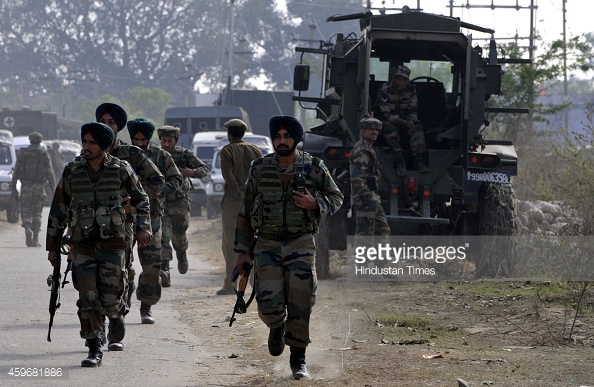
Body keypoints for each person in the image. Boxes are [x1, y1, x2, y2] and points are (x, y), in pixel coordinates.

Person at [234, 115, 343, 380]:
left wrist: (316, 204)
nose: (282, 141)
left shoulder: (314, 167)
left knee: (301, 301)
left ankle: (298, 361)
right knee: (268, 304)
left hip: (301, 242)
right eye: (277, 137)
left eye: (287, 136)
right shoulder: (259, 168)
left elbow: (336, 197)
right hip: (268, 243)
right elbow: (245, 212)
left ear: (296, 138)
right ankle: (276, 325)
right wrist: (242, 250)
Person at [45, 122, 151, 367]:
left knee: (111, 299)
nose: (87, 147)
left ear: (103, 146)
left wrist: (143, 226)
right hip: (82, 244)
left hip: (113, 243)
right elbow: (58, 209)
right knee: (88, 296)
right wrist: (52, 246)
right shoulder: (72, 171)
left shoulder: (121, 169)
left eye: (92, 143)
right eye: (84, 142)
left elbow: (142, 199)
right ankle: (94, 347)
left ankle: (115, 316)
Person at [96, 102, 164, 345]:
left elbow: (157, 180)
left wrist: (135, 203)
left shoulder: (132, 154)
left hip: (130, 223)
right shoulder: (88, 153)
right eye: (102, 122)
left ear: (118, 127)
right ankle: (104, 324)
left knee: (123, 270)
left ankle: (119, 319)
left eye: (111, 122)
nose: (106, 126)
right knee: (107, 275)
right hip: (99, 228)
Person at [128, 117, 183, 322]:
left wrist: (158, 192)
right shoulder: (123, 155)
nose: (140, 143)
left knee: (152, 267)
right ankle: (123, 300)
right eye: (136, 138)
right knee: (123, 265)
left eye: (143, 139)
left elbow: (176, 179)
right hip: (126, 219)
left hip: (153, 219)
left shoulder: (160, 156)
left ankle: (146, 307)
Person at [158, 125, 209, 286]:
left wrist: (191, 173)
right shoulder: (156, 155)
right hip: (162, 202)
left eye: (170, 141)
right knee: (163, 236)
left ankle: (181, 253)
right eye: (164, 141)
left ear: (175, 141)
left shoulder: (183, 155)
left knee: (179, 235)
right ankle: (165, 270)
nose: (166, 144)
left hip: (180, 203)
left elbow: (205, 170)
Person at [217, 118, 262, 296]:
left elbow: (228, 175)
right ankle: (255, 283)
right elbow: (260, 173)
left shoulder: (227, 151)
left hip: (233, 204)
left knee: (230, 243)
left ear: (229, 134)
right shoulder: (255, 150)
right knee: (253, 242)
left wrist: (238, 194)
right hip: (254, 204)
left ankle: (230, 284)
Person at [373, 64, 429, 175]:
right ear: (393, 78)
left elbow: (413, 110)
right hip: (384, 120)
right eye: (398, 79)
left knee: (417, 126)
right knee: (390, 130)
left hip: (404, 120)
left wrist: (412, 121)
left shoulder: (411, 90)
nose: (400, 82)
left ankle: (419, 161)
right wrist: (403, 123)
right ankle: (399, 162)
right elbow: (385, 114)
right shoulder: (384, 89)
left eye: (404, 80)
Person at [11, 131, 55, 247]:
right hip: (40, 188)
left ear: (30, 140)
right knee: (37, 213)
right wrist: (53, 188)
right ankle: (35, 239)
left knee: (25, 211)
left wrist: (13, 187)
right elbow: (50, 172)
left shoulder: (23, 153)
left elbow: (16, 171)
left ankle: (27, 227)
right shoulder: (44, 154)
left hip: (26, 186)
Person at [350, 117, 391, 239]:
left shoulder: (368, 148)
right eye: (371, 129)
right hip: (365, 199)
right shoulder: (362, 150)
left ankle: (381, 258)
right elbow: (356, 178)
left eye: (376, 130)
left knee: (383, 230)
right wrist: (368, 197)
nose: (374, 132)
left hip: (372, 198)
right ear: (363, 131)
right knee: (365, 234)